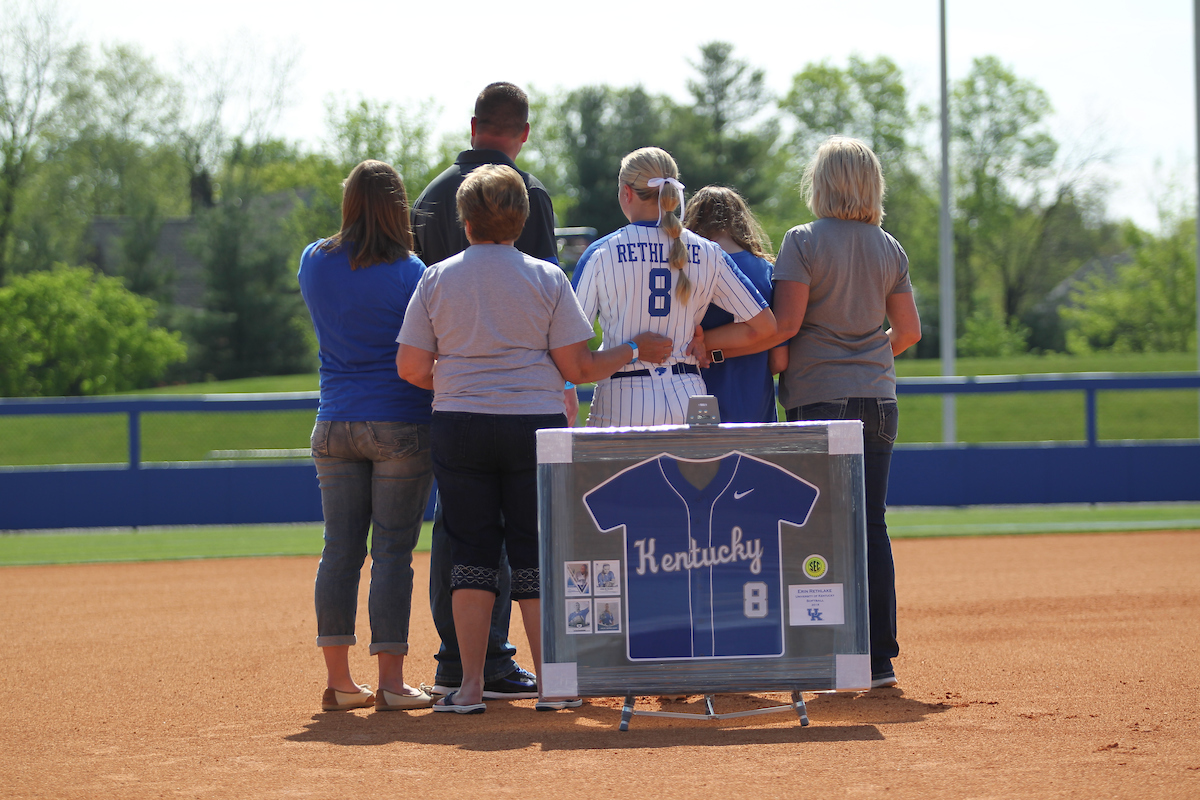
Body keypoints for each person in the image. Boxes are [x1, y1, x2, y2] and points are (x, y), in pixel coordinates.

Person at [396, 164, 672, 713]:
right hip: (533, 424)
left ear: (465, 221)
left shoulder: (437, 277)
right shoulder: (547, 278)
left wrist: (457, 379)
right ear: (521, 220)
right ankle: (554, 684)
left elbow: (410, 366)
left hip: (460, 423)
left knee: (470, 555)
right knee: (536, 553)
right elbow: (579, 365)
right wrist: (636, 348)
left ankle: (470, 686)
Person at [409, 82, 561, 702]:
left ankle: (460, 660)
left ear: (474, 127)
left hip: (450, 391)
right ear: (521, 133)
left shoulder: (429, 196)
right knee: (524, 534)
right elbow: (552, 309)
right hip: (525, 398)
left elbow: (414, 309)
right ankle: (503, 664)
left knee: (459, 528)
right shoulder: (529, 196)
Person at [768, 136, 922, 689]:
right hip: (878, 397)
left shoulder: (802, 241)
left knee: (817, 528)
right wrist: (868, 349)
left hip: (818, 396)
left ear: (822, 182)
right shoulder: (890, 248)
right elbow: (908, 332)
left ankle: (824, 650)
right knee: (871, 525)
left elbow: (784, 326)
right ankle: (879, 658)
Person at [298, 160, 436, 713]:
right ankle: (393, 683)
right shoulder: (412, 271)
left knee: (339, 550)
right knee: (392, 554)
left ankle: (339, 681)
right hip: (400, 421)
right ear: (399, 208)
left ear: (349, 202)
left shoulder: (314, 260)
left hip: (332, 420)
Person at [570, 147, 777, 426]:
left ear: (626, 193)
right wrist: (705, 344)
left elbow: (574, 360)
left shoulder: (601, 252)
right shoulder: (708, 251)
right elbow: (763, 327)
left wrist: (630, 350)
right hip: (690, 397)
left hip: (623, 398)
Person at [682, 185, 781, 423]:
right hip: (755, 407)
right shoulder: (768, 272)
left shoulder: (684, 270)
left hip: (693, 404)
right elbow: (780, 360)